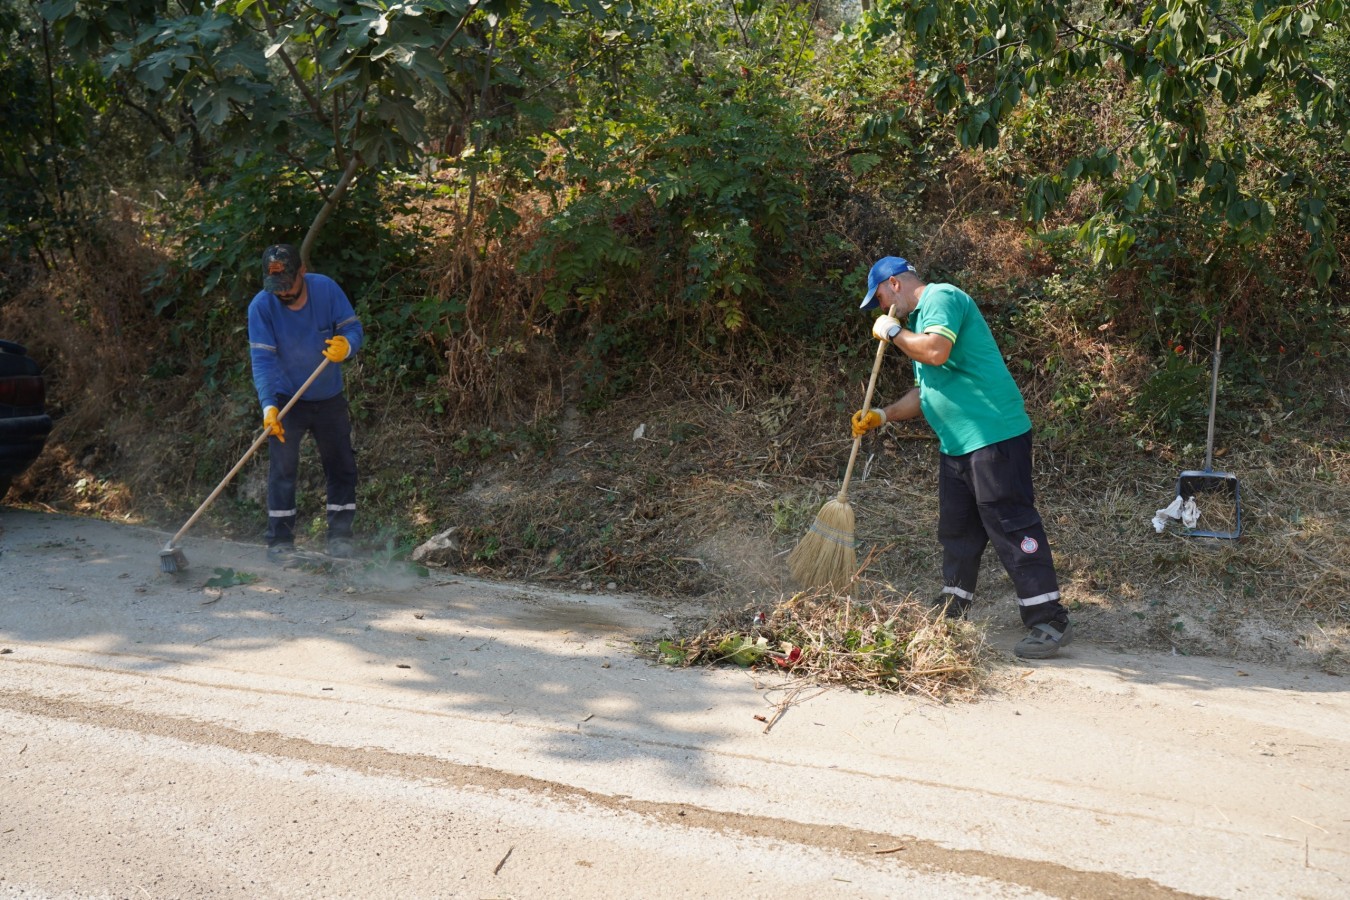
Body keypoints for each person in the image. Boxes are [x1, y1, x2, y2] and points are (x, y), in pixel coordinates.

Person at [851, 256, 1072, 659]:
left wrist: (895, 330)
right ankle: (953, 606)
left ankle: (1048, 620)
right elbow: (926, 391)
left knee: (1010, 523)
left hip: (993, 436)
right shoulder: (918, 325)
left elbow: (935, 352)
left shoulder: (941, 298)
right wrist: (882, 415)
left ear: (895, 284)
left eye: (880, 299)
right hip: (957, 446)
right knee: (957, 530)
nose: (882, 309)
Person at [248, 244, 364, 563]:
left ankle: (340, 538)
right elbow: (262, 360)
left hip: (329, 398)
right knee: (283, 469)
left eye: (288, 284)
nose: (282, 293)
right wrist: (269, 406)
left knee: (341, 465)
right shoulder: (262, 307)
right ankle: (280, 542)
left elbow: (353, 329)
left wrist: (348, 346)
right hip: (287, 400)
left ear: (302, 271)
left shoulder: (325, 289)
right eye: (276, 288)